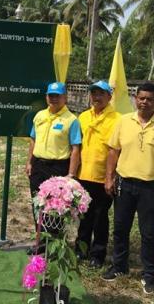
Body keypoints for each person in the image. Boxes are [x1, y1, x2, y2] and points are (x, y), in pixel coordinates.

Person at [102, 82, 154, 294]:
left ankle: (149, 274)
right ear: (135, 99)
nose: (145, 102)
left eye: (149, 99)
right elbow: (113, 151)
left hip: (150, 187)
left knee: (149, 233)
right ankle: (119, 266)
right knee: (121, 228)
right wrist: (109, 178)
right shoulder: (124, 121)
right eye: (141, 98)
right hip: (124, 183)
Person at [25, 82, 81, 235]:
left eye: (57, 96)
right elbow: (33, 140)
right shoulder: (39, 116)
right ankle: (40, 240)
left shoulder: (71, 120)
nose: (54, 99)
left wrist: (71, 175)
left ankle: (53, 241)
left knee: (56, 207)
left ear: (65, 98)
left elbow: (76, 148)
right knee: (38, 204)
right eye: (51, 95)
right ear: (46, 97)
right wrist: (29, 162)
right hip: (38, 165)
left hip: (58, 167)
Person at [75, 81, 120, 268]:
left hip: (103, 176)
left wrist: (111, 176)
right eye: (94, 93)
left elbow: (117, 150)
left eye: (101, 93)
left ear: (109, 96)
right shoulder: (83, 116)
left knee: (100, 217)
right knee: (84, 215)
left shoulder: (117, 119)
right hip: (83, 174)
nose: (97, 97)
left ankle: (98, 254)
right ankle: (81, 250)